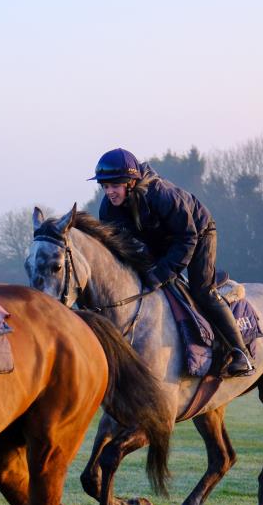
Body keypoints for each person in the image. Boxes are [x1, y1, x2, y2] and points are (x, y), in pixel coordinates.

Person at [91, 147, 254, 376]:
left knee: (202, 291)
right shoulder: (108, 209)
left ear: (131, 183)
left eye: (114, 186)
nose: (109, 192)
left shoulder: (161, 195)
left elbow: (187, 238)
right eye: (105, 186)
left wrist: (160, 274)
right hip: (159, 239)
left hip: (197, 233)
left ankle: (240, 353)